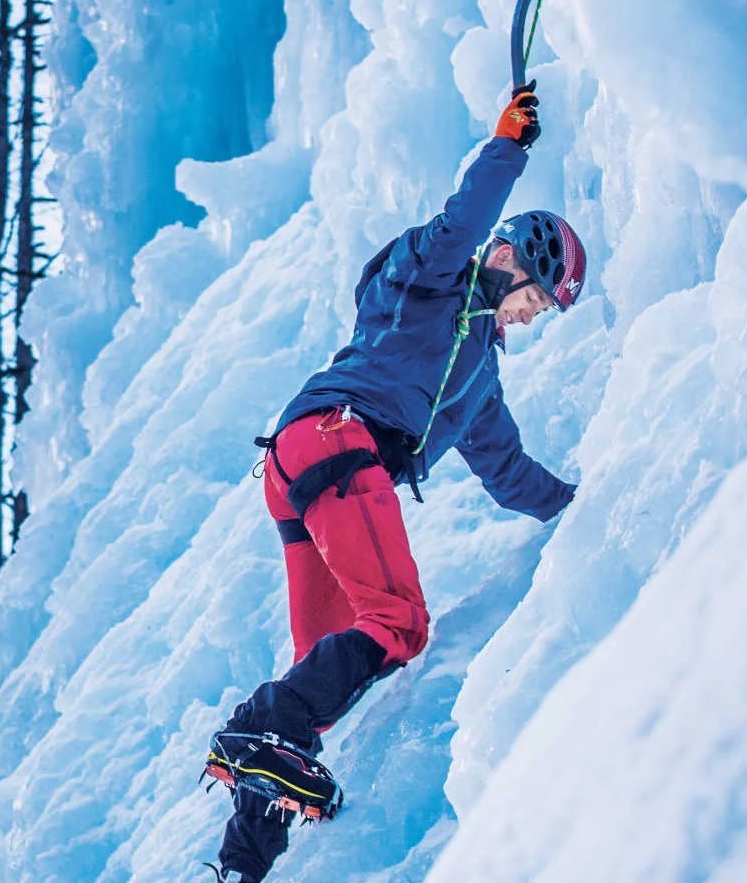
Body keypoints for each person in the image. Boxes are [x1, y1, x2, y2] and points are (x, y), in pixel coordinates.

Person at [204, 85, 587, 882]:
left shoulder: (479, 380)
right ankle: (258, 724)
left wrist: (585, 507)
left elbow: (508, 474)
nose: (531, 317)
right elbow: (462, 222)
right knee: (402, 622)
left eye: (543, 313)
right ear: (516, 259)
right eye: (537, 299)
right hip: (340, 441)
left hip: (303, 469)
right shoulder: (429, 280)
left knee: (323, 664)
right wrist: (507, 147)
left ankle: (242, 862)